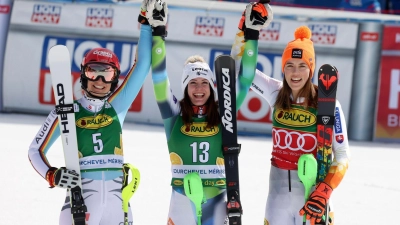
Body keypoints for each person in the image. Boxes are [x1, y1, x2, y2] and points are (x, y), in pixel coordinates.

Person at [27, 1, 158, 224]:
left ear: (115, 79)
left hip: (119, 206)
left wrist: (146, 23)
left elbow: (143, 63)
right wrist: (52, 174)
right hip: (80, 205)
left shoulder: (117, 107)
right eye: (93, 71)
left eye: (106, 74)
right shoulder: (68, 111)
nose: (99, 81)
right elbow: (35, 151)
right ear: (84, 75)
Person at [149, 2, 272, 225]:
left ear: (212, 86)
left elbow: (244, 80)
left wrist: (252, 34)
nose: (198, 89)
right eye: (192, 83)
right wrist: (158, 32)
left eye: (204, 82)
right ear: (185, 87)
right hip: (181, 202)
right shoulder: (173, 113)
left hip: (218, 201)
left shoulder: (224, 111)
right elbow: (158, 77)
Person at [231, 22, 351, 224]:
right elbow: (237, 68)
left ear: (311, 68)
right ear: (283, 67)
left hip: (313, 200)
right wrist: (246, 30)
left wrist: (324, 192)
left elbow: (342, 156)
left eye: (302, 66)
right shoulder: (275, 92)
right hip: (277, 199)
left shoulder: (328, 103)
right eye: (290, 66)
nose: (295, 73)